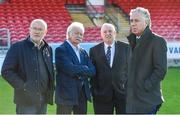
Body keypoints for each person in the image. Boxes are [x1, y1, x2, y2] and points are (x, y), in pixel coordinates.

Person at [1, 19, 54, 114]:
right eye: (34, 28)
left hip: (43, 98)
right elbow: (6, 71)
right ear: (29, 29)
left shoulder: (48, 49)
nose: (37, 31)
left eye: (40, 29)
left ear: (45, 32)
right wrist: (23, 86)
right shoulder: (17, 47)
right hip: (26, 99)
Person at [126, 7, 167, 114]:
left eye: (136, 20)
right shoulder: (131, 41)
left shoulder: (158, 41)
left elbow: (161, 70)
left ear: (146, 22)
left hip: (147, 101)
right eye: (131, 21)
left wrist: (145, 86)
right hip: (131, 102)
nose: (133, 24)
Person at [55, 22, 96, 114]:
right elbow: (70, 69)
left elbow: (93, 71)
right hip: (66, 94)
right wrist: (85, 68)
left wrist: (80, 69)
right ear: (69, 34)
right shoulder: (61, 50)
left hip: (82, 94)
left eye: (81, 34)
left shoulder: (83, 51)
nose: (79, 36)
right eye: (76, 33)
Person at [89, 23, 130, 114]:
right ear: (101, 34)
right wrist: (94, 91)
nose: (108, 33)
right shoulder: (94, 50)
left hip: (123, 95)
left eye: (110, 31)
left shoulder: (126, 48)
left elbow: (130, 70)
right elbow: (93, 73)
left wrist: (128, 89)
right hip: (101, 95)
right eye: (105, 31)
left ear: (115, 33)